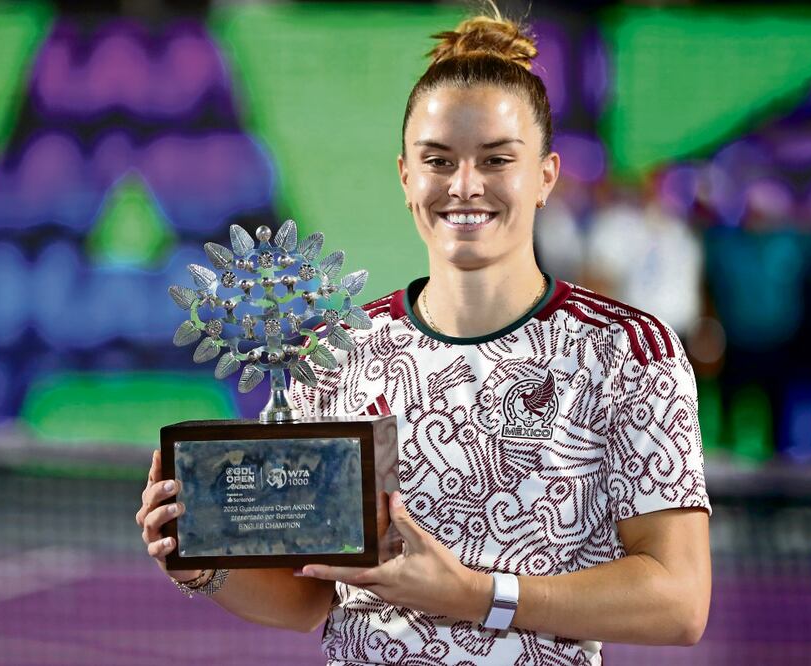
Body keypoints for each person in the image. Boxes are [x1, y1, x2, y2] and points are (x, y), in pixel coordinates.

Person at [136, 7, 712, 664]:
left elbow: (678, 599)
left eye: (496, 159)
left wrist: (473, 593)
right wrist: (201, 564)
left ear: (545, 176)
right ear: (407, 175)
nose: (465, 184)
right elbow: (312, 601)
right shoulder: (340, 357)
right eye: (438, 160)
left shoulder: (626, 353)